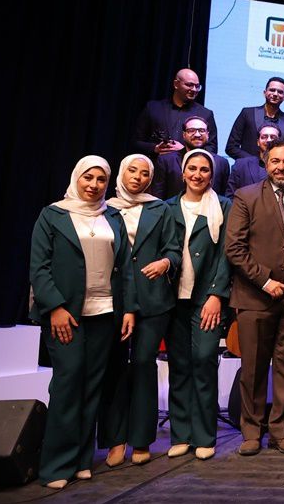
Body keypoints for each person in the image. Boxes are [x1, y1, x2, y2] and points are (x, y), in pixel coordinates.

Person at [29, 156, 135, 489]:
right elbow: (39, 267)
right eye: (88, 177)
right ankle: (55, 466)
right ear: (76, 177)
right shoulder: (53, 215)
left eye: (101, 179)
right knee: (68, 382)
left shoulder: (112, 216)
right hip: (66, 314)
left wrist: (129, 309)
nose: (94, 185)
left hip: (105, 312)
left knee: (92, 385)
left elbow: (125, 267)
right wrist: (55, 307)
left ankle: (80, 461)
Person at [224, 137, 284, 456]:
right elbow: (234, 248)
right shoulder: (246, 196)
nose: (282, 167)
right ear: (266, 163)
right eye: (276, 161)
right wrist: (265, 281)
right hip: (255, 297)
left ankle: (282, 431)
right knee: (253, 369)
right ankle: (251, 432)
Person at [98, 155, 180, 467]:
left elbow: (173, 248)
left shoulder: (160, 208)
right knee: (115, 366)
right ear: (121, 173)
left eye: (145, 173)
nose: (138, 177)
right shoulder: (105, 208)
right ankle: (115, 440)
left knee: (144, 363)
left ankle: (142, 439)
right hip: (114, 299)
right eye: (132, 171)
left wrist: (165, 262)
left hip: (153, 297)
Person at [165, 149, 232, 461]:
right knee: (179, 366)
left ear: (212, 175)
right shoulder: (167, 208)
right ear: (183, 172)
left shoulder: (224, 207)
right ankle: (181, 434)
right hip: (172, 300)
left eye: (204, 169)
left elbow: (227, 255)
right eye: (192, 168)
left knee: (204, 361)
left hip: (206, 299)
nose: (197, 174)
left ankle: (204, 435)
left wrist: (217, 295)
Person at [133, 68, 218, 157]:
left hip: (188, 165)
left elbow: (212, 148)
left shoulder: (205, 114)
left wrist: (185, 151)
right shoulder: (153, 108)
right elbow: (136, 142)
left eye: (197, 86)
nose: (194, 89)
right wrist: (155, 148)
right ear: (176, 84)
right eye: (189, 85)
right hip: (156, 163)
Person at [152, 116, 230, 198]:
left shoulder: (221, 163)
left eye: (202, 130)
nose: (197, 134)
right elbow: (158, 197)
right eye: (191, 130)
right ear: (184, 135)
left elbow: (224, 196)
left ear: (208, 135)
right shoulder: (166, 161)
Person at [225, 77, 284, 160]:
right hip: (248, 167)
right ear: (264, 93)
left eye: (280, 92)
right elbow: (231, 147)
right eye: (272, 90)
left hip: (278, 167)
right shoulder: (247, 113)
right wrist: (253, 162)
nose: (275, 94)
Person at [227, 124, 280, 195]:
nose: (269, 140)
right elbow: (230, 196)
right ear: (258, 142)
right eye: (264, 137)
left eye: (273, 137)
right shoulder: (241, 165)